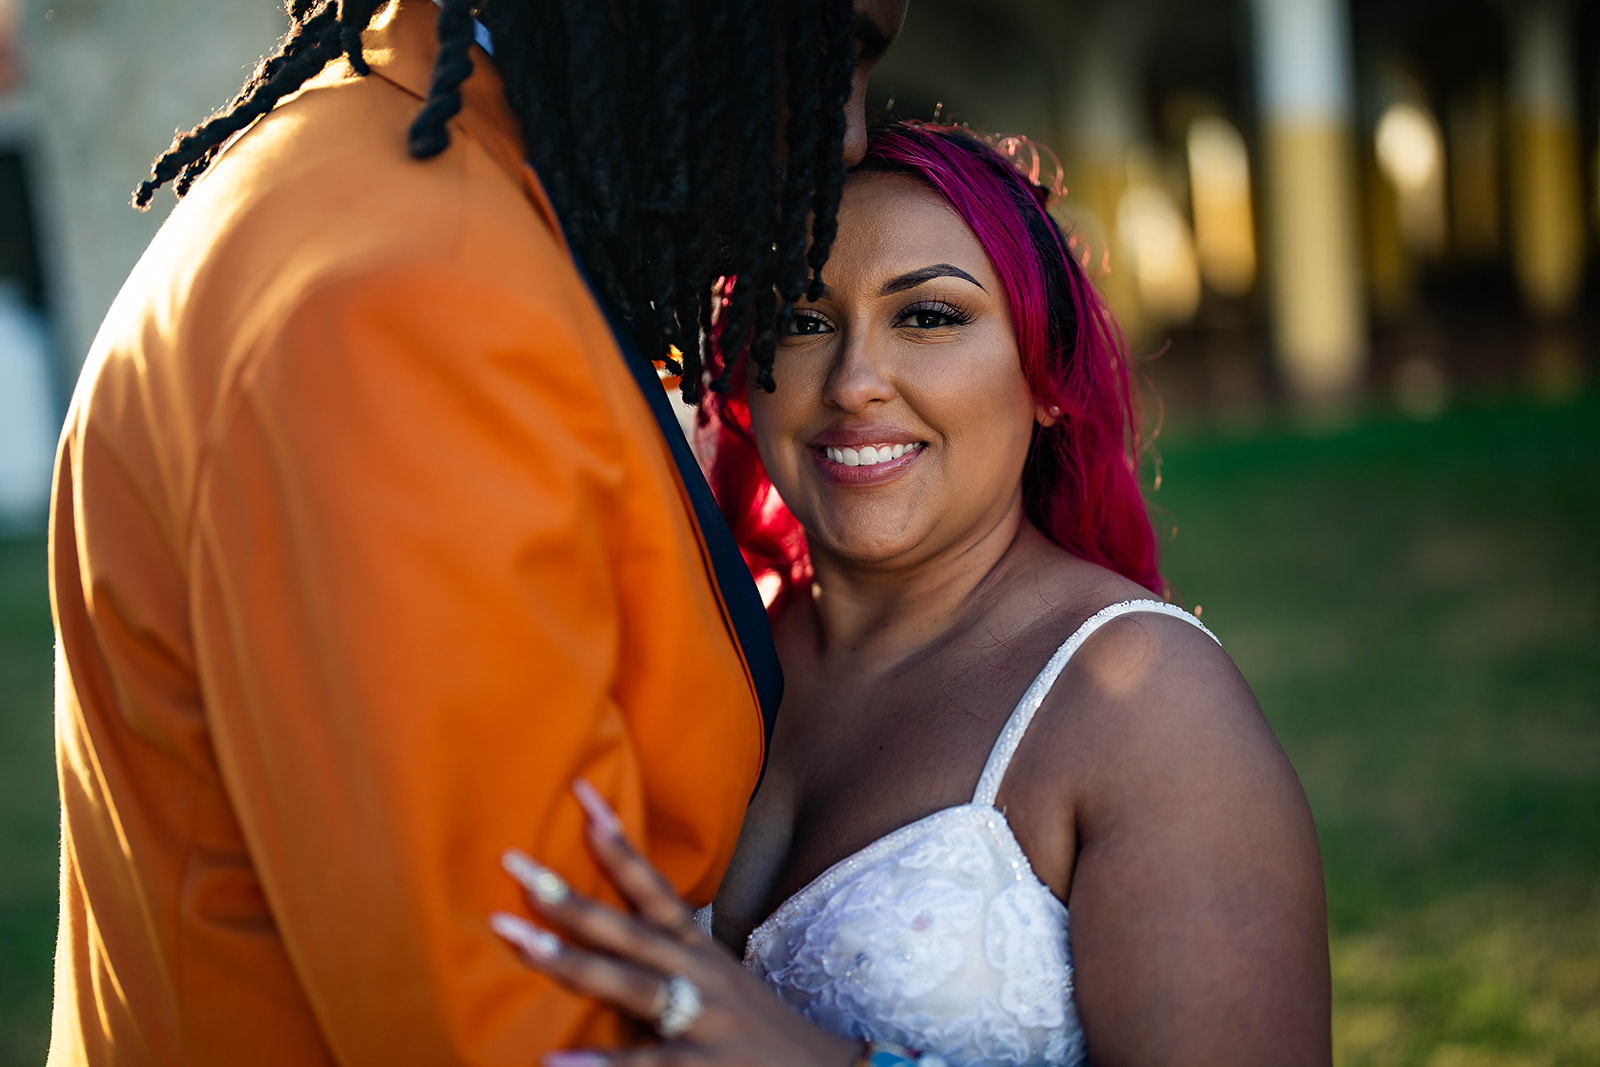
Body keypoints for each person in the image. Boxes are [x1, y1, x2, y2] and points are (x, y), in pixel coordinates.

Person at [47, 0, 907, 1063]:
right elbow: (511, 1026)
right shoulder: (413, 298)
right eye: (842, 46)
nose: (851, 131)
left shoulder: (400, 188)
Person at [487, 123, 1333, 1067]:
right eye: (803, 320)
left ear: (1046, 375)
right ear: (742, 378)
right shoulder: (700, 653)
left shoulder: (1145, 700)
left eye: (928, 315)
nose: (854, 382)